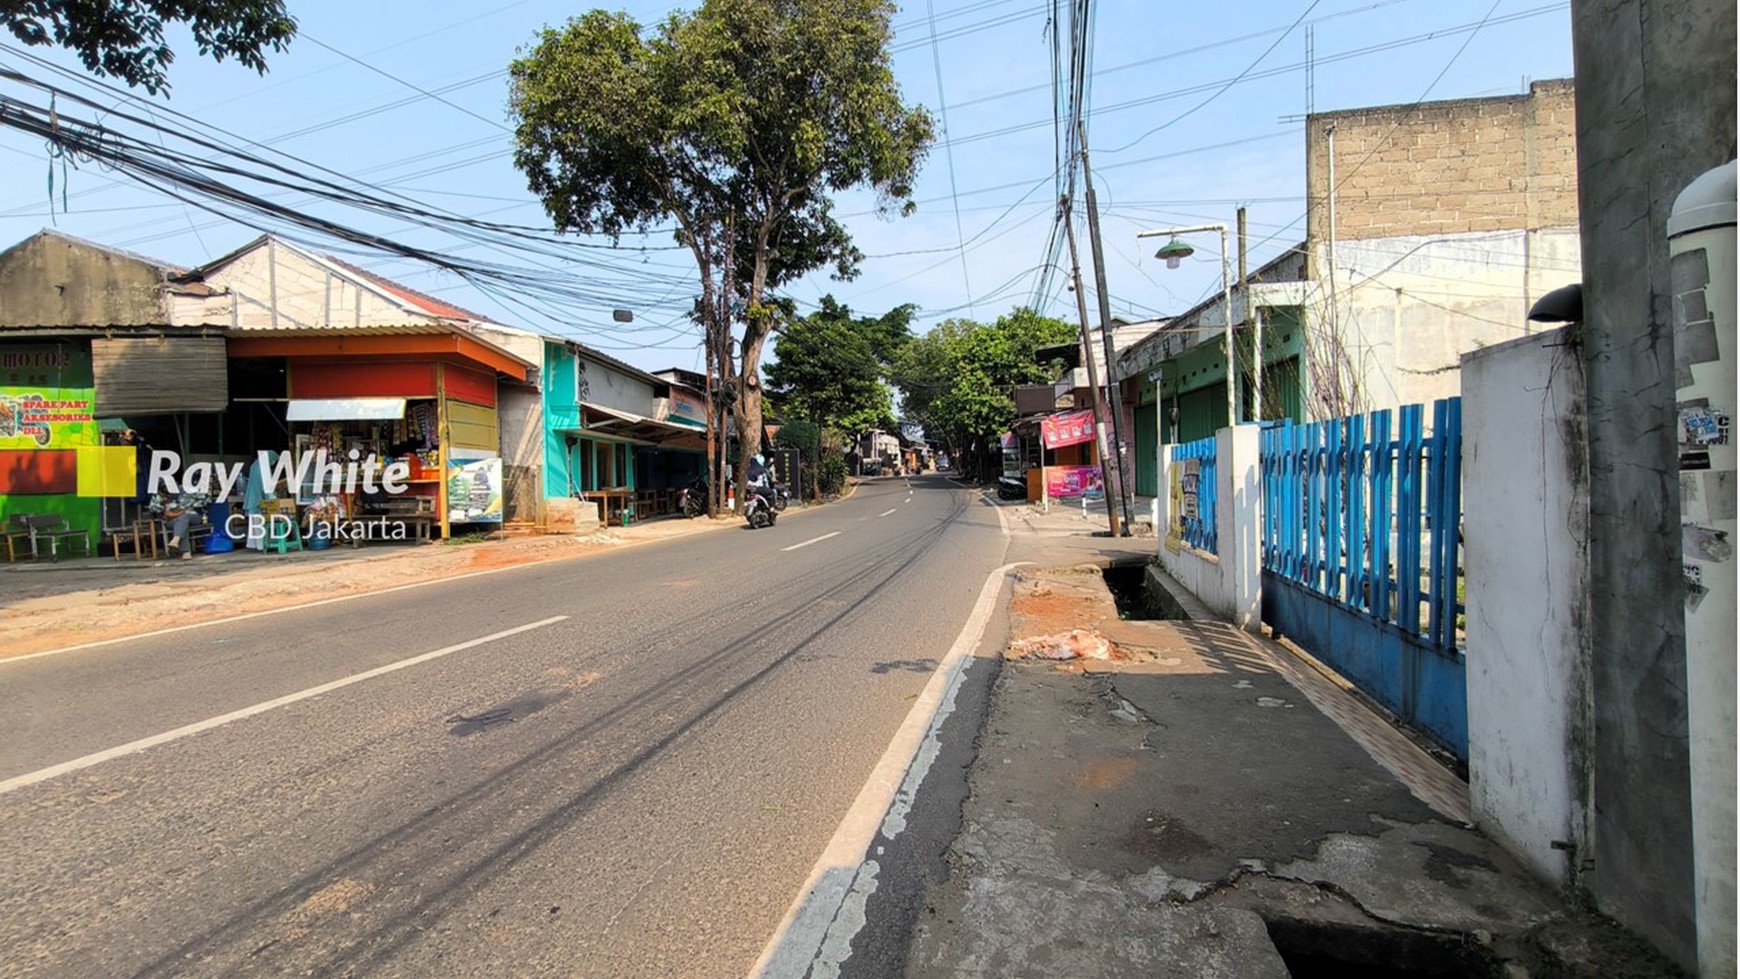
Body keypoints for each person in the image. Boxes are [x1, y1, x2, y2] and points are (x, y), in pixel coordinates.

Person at [149, 486, 213, 559]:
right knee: (182, 523)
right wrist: (165, 509)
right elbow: (154, 508)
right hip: (172, 519)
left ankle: (181, 547)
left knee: (184, 517)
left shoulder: (191, 489)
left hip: (192, 516)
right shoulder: (160, 493)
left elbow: (206, 500)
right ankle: (180, 544)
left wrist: (190, 506)